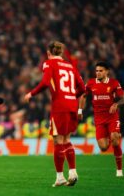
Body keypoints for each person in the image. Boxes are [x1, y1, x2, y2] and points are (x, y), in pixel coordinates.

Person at [24, 41, 85, 187]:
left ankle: (60, 178)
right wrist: (71, 95)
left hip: (60, 106)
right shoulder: (71, 66)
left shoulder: (49, 63)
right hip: (72, 105)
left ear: (49, 53)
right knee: (67, 139)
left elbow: (45, 83)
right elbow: (83, 88)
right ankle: (72, 172)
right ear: (61, 52)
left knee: (58, 141)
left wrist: (31, 94)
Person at [78, 62, 124, 177]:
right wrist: (80, 111)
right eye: (97, 71)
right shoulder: (91, 83)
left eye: (101, 71)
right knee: (103, 147)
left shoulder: (114, 83)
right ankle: (112, 137)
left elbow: (123, 100)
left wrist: (116, 104)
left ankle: (119, 170)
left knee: (115, 139)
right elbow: (83, 96)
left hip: (112, 117)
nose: (98, 73)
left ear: (107, 71)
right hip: (99, 119)